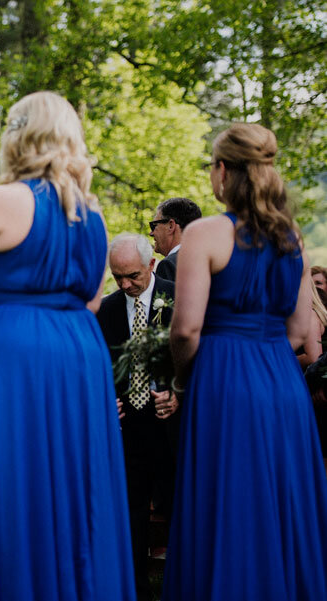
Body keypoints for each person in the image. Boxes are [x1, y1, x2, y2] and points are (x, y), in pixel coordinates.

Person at [0, 91, 135, 600]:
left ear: (17, 137)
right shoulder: (90, 212)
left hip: (13, 353)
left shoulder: (8, 199)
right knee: (73, 482)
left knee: (13, 477)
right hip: (79, 354)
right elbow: (92, 302)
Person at [163, 123, 327, 600]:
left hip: (224, 380)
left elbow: (186, 329)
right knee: (279, 502)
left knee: (227, 501)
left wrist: (180, 380)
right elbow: (300, 330)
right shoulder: (289, 236)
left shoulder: (206, 233)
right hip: (282, 381)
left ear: (223, 172)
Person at [96, 233, 177, 601]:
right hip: (125, 427)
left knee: (179, 507)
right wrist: (103, 400)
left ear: (151, 265)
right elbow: (97, 366)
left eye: (133, 276)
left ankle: (182, 584)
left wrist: (178, 394)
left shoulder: (178, 297)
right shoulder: (107, 308)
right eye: (118, 277)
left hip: (173, 426)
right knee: (131, 513)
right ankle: (137, 590)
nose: (126, 285)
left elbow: (199, 354)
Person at [149, 197, 202, 282]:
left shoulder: (169, 265)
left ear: (171, 226)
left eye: (154, 225)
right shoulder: (210, 260)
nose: (151, 233)